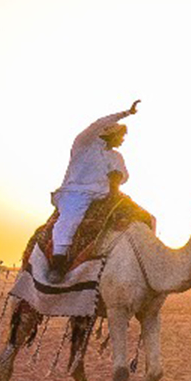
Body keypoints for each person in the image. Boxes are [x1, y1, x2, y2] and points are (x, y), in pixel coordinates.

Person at [47, 100, 140, 281]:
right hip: (76, 192)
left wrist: (117, 177)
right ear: (109, 134)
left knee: (143, 217)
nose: (122, 140)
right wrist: (126, 113)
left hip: (106, 193)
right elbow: (97, 124)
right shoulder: (83, 144)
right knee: (70, 219)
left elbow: (125, 176)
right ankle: (58, 262)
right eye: (120, 136)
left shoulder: (116, 156)